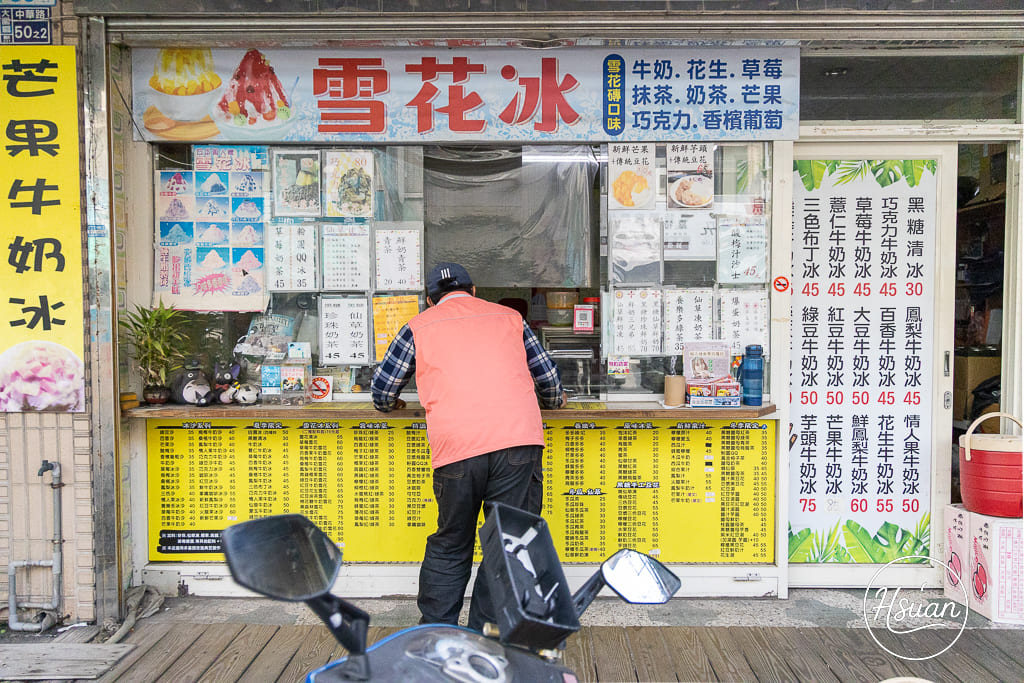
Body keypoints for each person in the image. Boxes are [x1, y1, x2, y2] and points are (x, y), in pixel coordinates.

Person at [371, 262, 567, 631]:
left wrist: (392, 403)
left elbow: (382, 392)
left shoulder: (418, 326)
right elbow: (551, 384)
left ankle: (436, 630)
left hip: (456, 447)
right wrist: (554, 401)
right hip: (516, 442)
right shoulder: (510, 318)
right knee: (506, 545)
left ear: (430, 300)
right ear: (474, 290)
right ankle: (484, 635)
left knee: (451, 541)